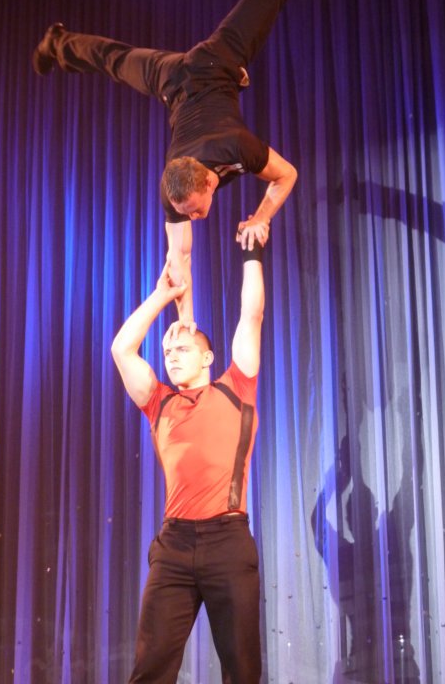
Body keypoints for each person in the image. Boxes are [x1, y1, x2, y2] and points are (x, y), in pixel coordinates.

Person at [33, 0, 343, 328]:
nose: (195, 218)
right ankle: (56, 43)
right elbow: (179, 256)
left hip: (216, 59)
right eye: (189, 213)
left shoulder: (237, 146)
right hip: (174, 80)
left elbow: (286, 174)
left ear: (210, 183)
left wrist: (261, 217)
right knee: (114, 61)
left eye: (194, 211)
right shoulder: (173, 190)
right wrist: (188, 320)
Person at [110, 240, 266, 683]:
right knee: (151, 668)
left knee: (242, 671)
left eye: (181, 349)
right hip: (174, 546)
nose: (172, 357)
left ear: (207, 357)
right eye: (167, 352)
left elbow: (251, 315)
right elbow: (122, 349)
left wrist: (252, 256)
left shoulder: (236, 387)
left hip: (227, 540)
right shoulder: (159, 402)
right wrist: (162, 295)